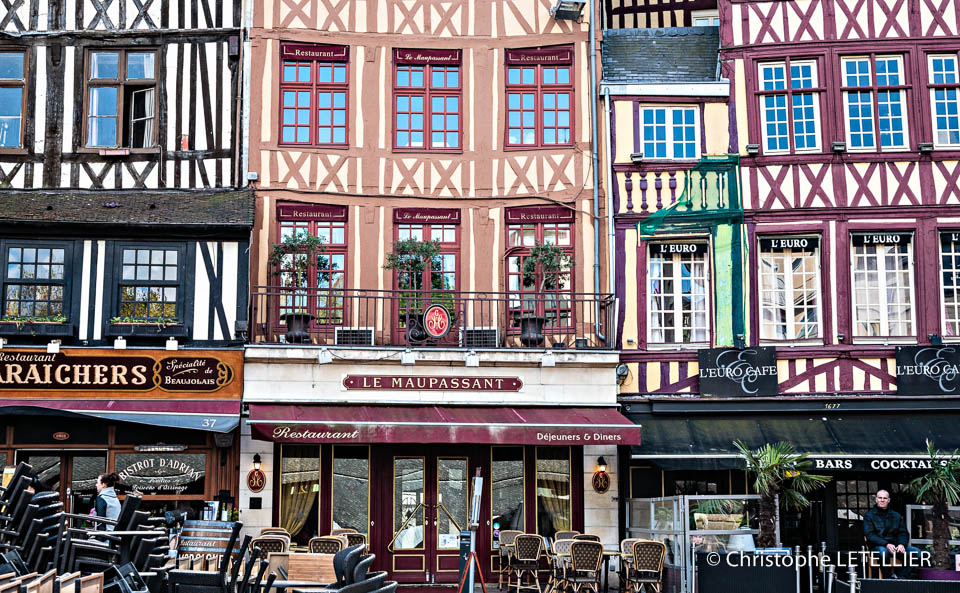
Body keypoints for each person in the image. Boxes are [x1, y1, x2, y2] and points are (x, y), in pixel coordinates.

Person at [863, 489, 922, 579]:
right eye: (880, 498)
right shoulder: (869, 516)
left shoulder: (896, 516)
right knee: (883, 552)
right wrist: (886, 544)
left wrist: (901, 544)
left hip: (896, 547)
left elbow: (903, 533)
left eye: (885, 498)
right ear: (876, 499)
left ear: (888, 500)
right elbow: (870, 535)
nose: (882, 500)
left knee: (917, 553)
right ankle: (888, 578)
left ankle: (898, 576)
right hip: (878, 547)